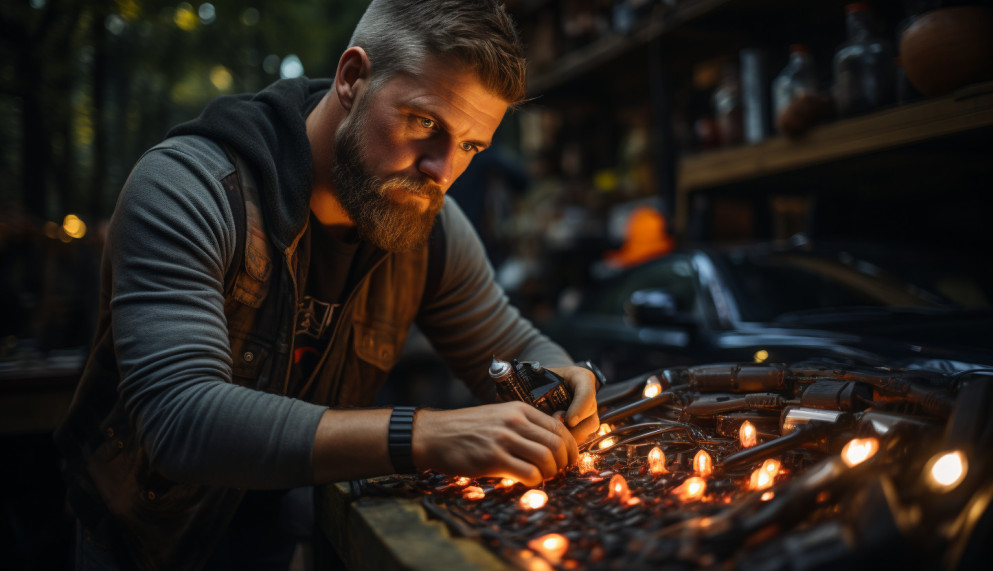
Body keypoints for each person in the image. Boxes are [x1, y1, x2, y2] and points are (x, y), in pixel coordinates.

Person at [54, 1, 601, 568]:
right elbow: (180, 420)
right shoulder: (188, 189)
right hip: (144, 542)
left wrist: (561, 377)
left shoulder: (430, 227)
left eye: (470, 146)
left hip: (287, 534)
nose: (443, 171)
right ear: (352, 78)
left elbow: (511, 346)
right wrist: (424, 436)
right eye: (425, 122)